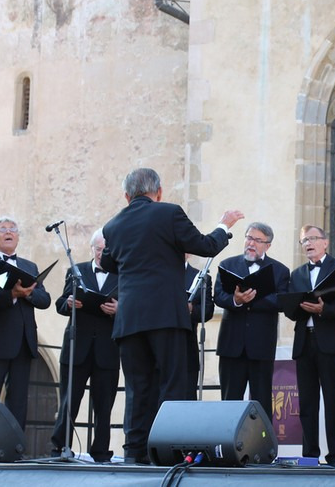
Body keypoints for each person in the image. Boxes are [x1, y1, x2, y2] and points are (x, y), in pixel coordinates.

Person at [100, 167, 243, 464]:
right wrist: (224, 225)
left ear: (127, 196)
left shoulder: (113, 225)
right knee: (172, 384)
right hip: (165, 314)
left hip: (129, 319)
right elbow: (205, 245)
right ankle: (168, 451)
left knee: (137, 388)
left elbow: (110, 263)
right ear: (159, 192)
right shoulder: (168, 213)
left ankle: (134, 452)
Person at [283, 225, 335, 467]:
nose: (308, 244)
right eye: (304, 240)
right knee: (307, 402)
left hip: (330, 342)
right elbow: (290, 310)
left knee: (332, 400)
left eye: (313, 238)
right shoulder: (297, 274)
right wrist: (297, 307)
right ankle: (310, 455)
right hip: (304, 341)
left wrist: (324, 309)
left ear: (325, 242)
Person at [0, 216, 52, 430]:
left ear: (18, 237)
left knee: (18, 402)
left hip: (23, 343)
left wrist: (28, 294)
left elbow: (44, 300)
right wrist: (12, 295)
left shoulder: (29, 266)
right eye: (3, 229)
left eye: (13, 229)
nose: (9, 232)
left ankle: (14, 445)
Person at [49, 229, 120, 462]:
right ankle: (60, 447)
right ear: (91, 249)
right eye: (98, 249)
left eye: (105, 250)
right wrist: (69, 303)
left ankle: (101, 452)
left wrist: (118, 310)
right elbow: (60, 303)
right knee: (69, 401)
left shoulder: (122, 274)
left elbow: (133, 308)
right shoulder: (76, 270)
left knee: (104, 405)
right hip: (77, 346)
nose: (101, 254)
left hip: (107, 349)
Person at [213, 222, 290, 418]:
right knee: (229, 402)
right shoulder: (227, 265)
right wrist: (235, 300)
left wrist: (251, 298)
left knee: (261, 402)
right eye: (249, 238)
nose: (251, 243)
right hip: (232, 345)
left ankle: (262, 439)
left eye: (257, 240)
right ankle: (227, 438)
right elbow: (218, 296)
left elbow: (282, 302)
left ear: (267, 245)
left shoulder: (280, 270)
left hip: (261, 346)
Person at [184, 255, 216, 400]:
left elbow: (207, 310)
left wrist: (191, 309)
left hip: (187, 348)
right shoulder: (156, 274)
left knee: (188, 397)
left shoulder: (200, 277)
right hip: (160, 350)